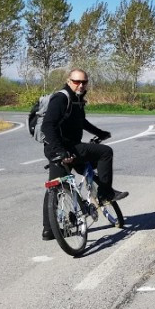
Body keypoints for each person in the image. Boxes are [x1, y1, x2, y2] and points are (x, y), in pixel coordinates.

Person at [41, 68, 128, 241]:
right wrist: (60, 150)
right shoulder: (62, 98)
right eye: (76, 82)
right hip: (64, 148)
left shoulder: (76, 100)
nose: (80, 85)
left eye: (84, 82)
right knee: (105, 153)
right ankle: (105, 193)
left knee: (56, 186)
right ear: (69, 81)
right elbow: (47, 125)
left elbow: (81, 122)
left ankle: (49, 230)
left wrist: (100, 132)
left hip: (59, 149)